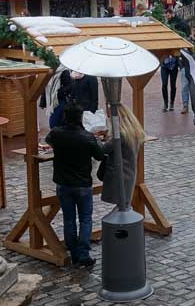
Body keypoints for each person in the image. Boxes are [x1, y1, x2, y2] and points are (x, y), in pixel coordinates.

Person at [45, 103, 108, 268]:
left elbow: (48, 139)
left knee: (69, 219)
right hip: (82, 184)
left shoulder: (57, 133)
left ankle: (73, 253)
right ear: (80, 117)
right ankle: (83, 254)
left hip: (63, 183)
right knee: (85, 219)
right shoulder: (87, 137)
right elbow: (100, 155)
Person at [99, 104, 144, 210]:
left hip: (119, 175)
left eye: (109, 117)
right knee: (124, 205)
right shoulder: (132, 130)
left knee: (121, 207)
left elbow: (103, 150)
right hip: (129, 173)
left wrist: (95, 138)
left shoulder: (120, 135)